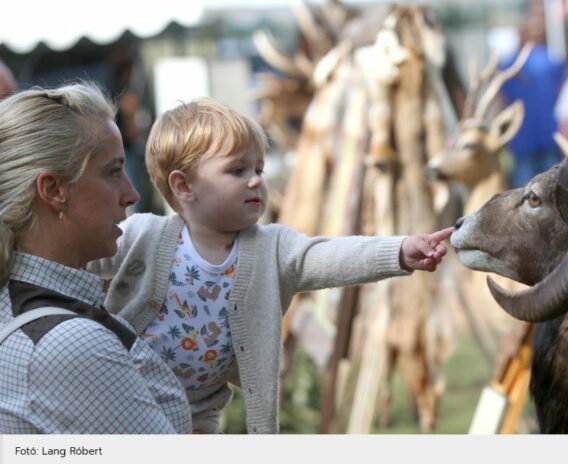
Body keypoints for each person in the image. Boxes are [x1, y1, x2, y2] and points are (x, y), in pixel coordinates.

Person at [88, 99, 453, 433]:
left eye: (259, 169)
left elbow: (328, 255)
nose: (256, 181)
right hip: (122, 399)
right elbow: (74, 254)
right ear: (184, 186)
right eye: (237, 170)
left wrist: (399, 251)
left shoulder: (272, 248)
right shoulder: (140, 236)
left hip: (195, 417)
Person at [0, 83, 192, 433]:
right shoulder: (68, 344)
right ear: (54, 190)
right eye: (114, 171)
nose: (131, 194)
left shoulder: (23, 306)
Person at [499, 0, 566, 188]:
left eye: (541, 17)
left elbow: (562, 102)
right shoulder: (508, 65)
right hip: (522, 146)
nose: (538, 22)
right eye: (534, 17)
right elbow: (503, 105)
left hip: (550, 143)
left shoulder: (554, 61)